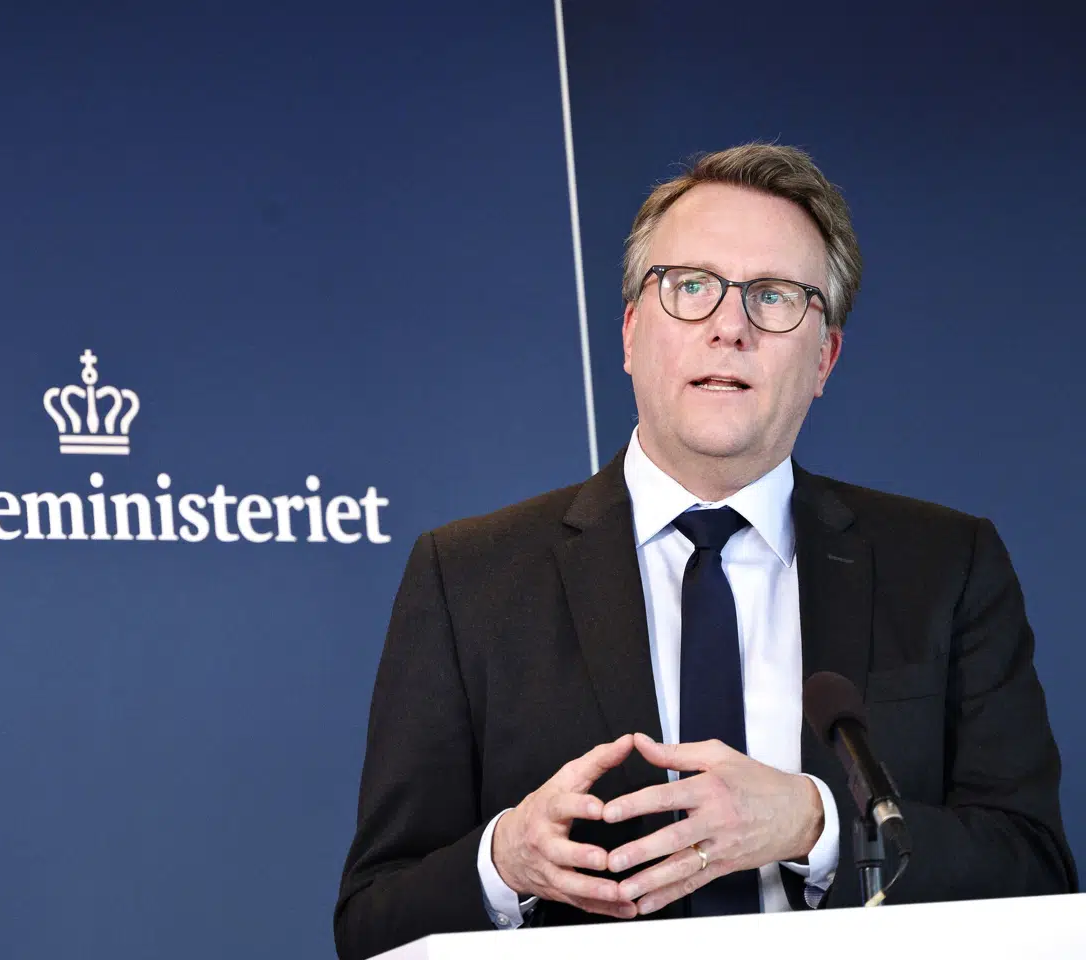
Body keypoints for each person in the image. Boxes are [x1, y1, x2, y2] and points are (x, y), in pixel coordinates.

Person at [333, 144, 1077, 960]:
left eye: (774, 296)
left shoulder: (946, 566)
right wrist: (503, 864)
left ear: (825, 357)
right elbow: (372, 921)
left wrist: (815, 825)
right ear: (630, 333)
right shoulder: (468, 578)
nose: (730, 327)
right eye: (692, 287)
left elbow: (1035, 872)